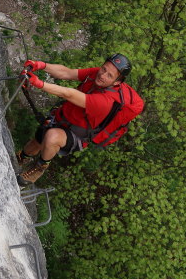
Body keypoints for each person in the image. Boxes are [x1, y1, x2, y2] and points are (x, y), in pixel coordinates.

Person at [16, 53, 144, 186]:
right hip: (62, 117)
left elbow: (69, 94)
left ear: (117, 82)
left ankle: (40, 167)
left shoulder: (106, 102)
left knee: (51, 137)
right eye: (104, 68)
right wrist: (39, 65)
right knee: (38, 139)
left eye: (109, 75)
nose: (103, 75)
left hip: (76, 134)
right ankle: (22, 157)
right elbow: (67, 73)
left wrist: (37, 83)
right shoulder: (97, 75)